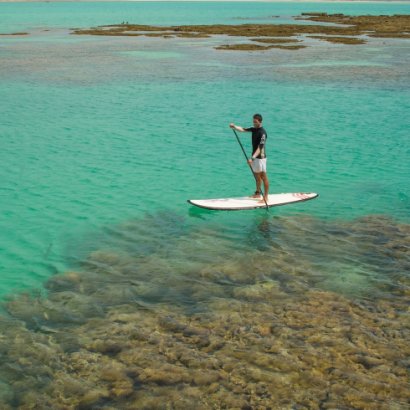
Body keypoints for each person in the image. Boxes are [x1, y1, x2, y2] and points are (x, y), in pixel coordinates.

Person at [229, 113, 269, 203]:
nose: (254, 123)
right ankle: (258, 193)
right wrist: (234, 126)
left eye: (255, 122)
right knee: (257, 176)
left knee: (263, 177)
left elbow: (260, 148)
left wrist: (252, 158)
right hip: (254, 157)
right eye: (253, 122)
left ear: (260, 121)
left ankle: (266, 197)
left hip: (260, 158)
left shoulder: (263, 133)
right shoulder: (254, 129)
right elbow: (243, 129)